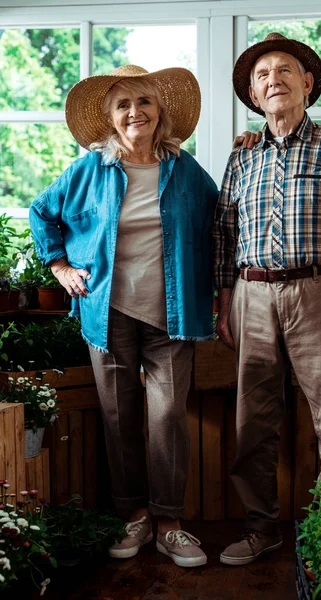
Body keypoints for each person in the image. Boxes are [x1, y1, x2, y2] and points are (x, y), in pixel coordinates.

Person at [29, 64, 219, 568]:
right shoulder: (89, 169)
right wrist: (61, 266)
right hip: (106, 313)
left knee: (168, 417)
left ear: (160, 113)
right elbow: (41, 211)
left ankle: (170, 522)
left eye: (145, 103)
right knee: (118, 417)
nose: (135, 112)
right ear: (112, 120)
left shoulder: (186, 172)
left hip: (171, 317)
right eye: (123, 105)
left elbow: (221, 220)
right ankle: (133, 514)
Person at [213, 32, 321, 566]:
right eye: (263, 75)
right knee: (253, 419)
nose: (274, 80)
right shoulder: (240, 157)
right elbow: (224, 231)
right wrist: (224, 299)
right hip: (252, 295)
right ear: (253, 94)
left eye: (285, 71)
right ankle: (260, 528)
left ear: (307, 84)